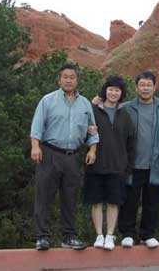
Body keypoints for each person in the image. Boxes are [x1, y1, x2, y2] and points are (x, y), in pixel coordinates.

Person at [30, 63, 99, 251]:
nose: (69, 80)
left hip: (73, 157)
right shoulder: (48, 100)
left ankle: (69, 237)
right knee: (44, 196)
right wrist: (35, 146)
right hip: (50, 153)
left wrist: (92, 150)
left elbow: (92, 130)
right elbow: (37, 126)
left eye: (72, 77)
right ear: (59, 79)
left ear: (77, 80)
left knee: (70, 198)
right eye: (65, 77)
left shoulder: (85, 104)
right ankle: (42, 237)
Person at [118, 70, 159, 249]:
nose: (145, 88)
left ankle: (147, 234)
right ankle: (128, 234)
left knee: (152, 202)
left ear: (155, 87)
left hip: (157, 163)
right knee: (129, 201)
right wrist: (97, 102)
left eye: (149, 85)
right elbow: (109, 113)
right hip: (132, 164)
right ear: (136, 88)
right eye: (142, 85)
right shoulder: (127, 108)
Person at [84, 76, 136, 251]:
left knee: (114, 202)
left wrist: (127, 166)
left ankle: (110, 236)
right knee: (96, 202)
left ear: (121, 93)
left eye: (117, 90)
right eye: (111, 89)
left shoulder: (125, 115)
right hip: (95, 164)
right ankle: (99, 235)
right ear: (105, 90)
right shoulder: (94, 111)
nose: (113, 93)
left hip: (117, 167)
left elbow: (131, 143)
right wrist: (92, 106)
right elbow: (83, 131)